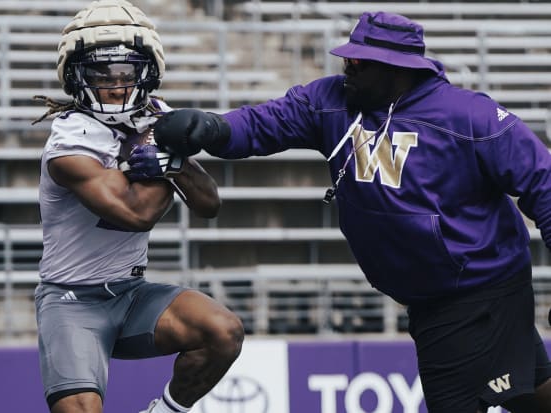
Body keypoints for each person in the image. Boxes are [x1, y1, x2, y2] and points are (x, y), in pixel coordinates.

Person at [152, 10, 551, 413]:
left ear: (398, 67)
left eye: (359, 62)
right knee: (531, 391)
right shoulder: (331, 101)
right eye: (347, 58)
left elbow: (545, 184)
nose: (347, 68)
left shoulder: (469, 116)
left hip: (478, 291)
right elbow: (263, 123)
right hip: (430, 295)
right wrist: (211, 128)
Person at [32, 1, 244, 413]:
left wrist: (172, 161)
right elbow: (135, 213)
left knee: (223, 330)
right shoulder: (68, 142)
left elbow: (209, 204)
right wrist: (159, 153)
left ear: (146, 74)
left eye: (126, 72)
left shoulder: (154, 119)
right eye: (99, 73)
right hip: (73, 301)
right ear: (77, 78)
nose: (114, 84)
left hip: (130, 296)